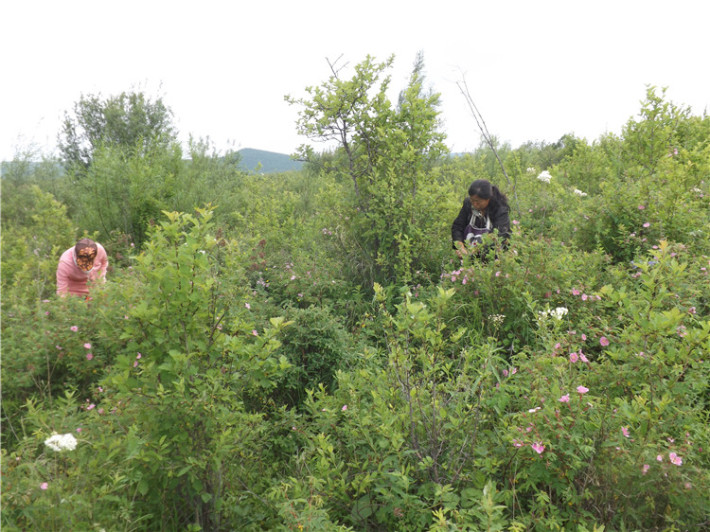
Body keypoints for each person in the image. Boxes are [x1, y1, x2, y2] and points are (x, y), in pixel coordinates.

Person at [451, 179, 511, 259]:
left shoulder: (500, 209)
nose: (475, 204)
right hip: (468, 252)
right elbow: (457, 227)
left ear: (488, 199)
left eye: (478, 202)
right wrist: (460, 246)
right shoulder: (468, 204)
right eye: (472, 200)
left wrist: (475, 250)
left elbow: (499, 235)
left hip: (492, 256)